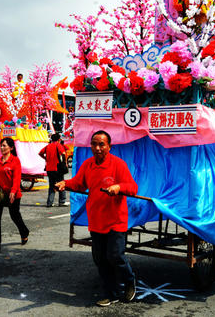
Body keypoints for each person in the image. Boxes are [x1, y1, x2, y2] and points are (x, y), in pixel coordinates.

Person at [56, 130, 138, 307]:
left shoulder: (118, 164)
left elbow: (132, 187)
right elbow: (78, 182)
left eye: (102, 144)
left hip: (116, 220)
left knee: (115, 255)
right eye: (94, 144)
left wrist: (118, 187)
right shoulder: (88, 165)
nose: (98, 148)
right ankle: (111, 293)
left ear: (109, 146)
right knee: (100, 259)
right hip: (96, 220)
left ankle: (130, 280)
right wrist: (65, 183)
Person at [0, 137, 29, 254]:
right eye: (1, 145)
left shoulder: (15, 161)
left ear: (11, 148)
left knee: (14, 216)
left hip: (13, 194)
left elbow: (16, 178)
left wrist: (13, 191)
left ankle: (24, 232)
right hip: (0, 193)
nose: (2, 147)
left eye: (4, 145)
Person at [39, 133, 68, 207]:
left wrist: (46, 158)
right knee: (61, 184)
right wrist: (65, 163)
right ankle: (62, 201)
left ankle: (50, 202)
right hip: (57, 168)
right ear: (59, 139)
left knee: (51, 186)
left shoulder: (48, 146)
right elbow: (63, 154)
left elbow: (40, 153)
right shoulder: (58, 145)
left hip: (49, 169)